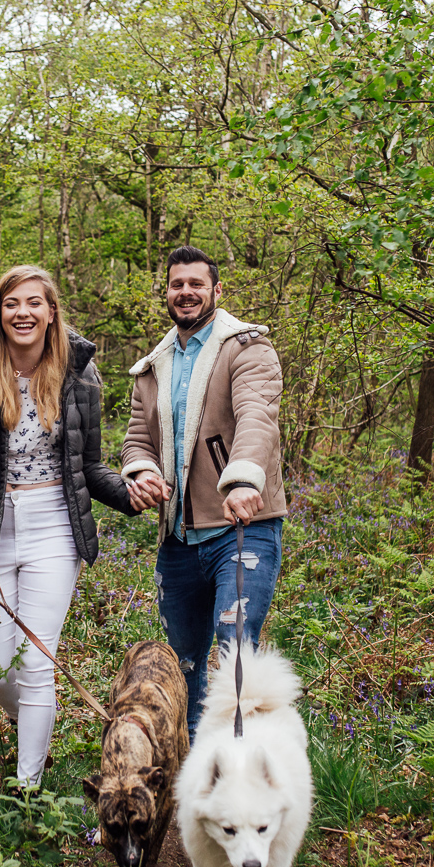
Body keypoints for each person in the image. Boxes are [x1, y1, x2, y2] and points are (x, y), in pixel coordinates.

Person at [0, 264, 137, 788]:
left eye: (33, 303)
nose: (22, 313)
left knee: (38, 662)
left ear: (51, 313)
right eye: (11, 303)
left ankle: (28, 792)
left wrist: (131, 496)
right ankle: (29, 720)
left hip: (53, 526)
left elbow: (87, 466)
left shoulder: (79, 373)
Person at [122, 245, 287, 736]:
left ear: (216, 290)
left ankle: (243, 769)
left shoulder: (248, 347)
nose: (186, 293)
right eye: (177, 285)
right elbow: (137, 439)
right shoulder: (152, 367)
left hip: (241, 529)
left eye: (196, 284)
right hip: (177, 542)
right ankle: (193, 777)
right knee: (185, 665)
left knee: (235, 650)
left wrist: (241, 479)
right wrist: (142, 472)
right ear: (167, 293)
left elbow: (258, 416)